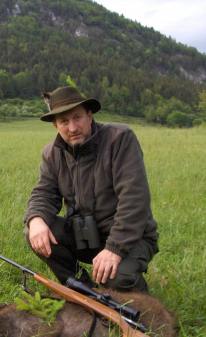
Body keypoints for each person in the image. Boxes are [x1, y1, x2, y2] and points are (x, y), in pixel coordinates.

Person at [23, 86, 159, 293]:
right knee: (34, 230)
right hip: (86, 236)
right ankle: (82, 288)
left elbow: (135, 199)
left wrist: (114, 249)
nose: (72, 127)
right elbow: (44, 193)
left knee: (116, 278)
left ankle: (138, 298)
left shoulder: (119, 139)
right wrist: (35, 219)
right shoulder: (52, 152)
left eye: (77, 117)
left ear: (89, 115)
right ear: (55, 125)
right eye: (64, 122)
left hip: (131, 237)